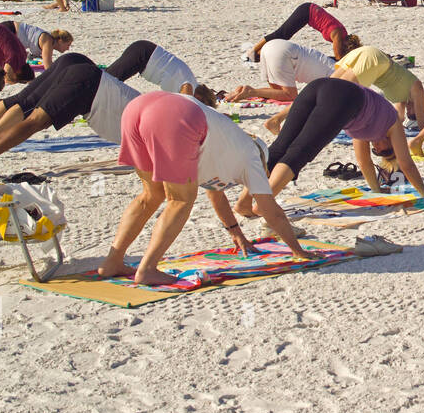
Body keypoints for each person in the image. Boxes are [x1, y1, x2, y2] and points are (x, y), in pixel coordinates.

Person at [98, 91, 317, 285]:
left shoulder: (228, 144)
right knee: (180, 200)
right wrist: (298, 250)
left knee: (150, 195)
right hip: (174, 117)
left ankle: (113, 262)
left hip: (139, 107)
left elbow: (215, 193)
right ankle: (147, 269)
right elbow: (272, 212)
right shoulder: (253, 158)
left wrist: (236, 233)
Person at [235, 78, 424, 216]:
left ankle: (244, 202)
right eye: (387, 150)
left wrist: (377, 191)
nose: (378, 148)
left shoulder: (367, 127)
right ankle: (264, 204)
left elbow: (364, 162)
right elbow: (406, 163)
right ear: (394, 146)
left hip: (321, 87)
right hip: (343, 96)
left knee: (282, 148)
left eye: (378, 152)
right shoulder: (392, 123)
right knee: (297, 152)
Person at [0, 53, 139, 178]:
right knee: (35, 121)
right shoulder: (156, 137)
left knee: (26, 104)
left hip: (83, 69)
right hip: (89, 86)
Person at [227, 38, 338, 131]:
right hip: (283, 53)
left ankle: (244, 91)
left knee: (279, 93)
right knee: (290, 96)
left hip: (272, 46)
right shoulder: (338, 75)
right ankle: (251, 92)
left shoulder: (331, 64)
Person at [333, 45, 424, 127]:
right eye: (413, 114)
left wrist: (400, 122)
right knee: (342, 91)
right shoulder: (417, 89)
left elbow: (397, 119)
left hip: (369, 53)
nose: (409, 111)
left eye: (409, 114)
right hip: (377, 61)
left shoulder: (402, 98)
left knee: (330, 87)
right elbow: (422, 121)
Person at [107, 39, 217, 105]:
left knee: (107, 78)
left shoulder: (191, 82)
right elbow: (185, 108)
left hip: (145, 53)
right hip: (144, 55)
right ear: (199, 97)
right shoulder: (188, 87)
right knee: (107, 80)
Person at [248, 3, 359, 62]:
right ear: (347, 45)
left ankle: (257, 55)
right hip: (307, 11)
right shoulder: (339, 35)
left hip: (309, 13)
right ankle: (252, 51)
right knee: (282, 34)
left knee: (283, 36)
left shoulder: (342, 33)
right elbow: (338, 57)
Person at [6, 21, 72, 69]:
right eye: (68, 45)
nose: (68, 48)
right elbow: (48, 67)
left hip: (11, 30)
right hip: (10, 31)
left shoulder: (48, 39)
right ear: (60, 41)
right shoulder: (48, 41)